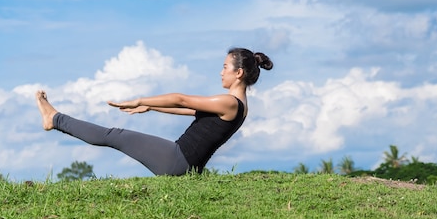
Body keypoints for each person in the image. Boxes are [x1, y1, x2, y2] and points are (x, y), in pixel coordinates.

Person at [35, 47, 273, 175]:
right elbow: (192, 113)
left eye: (224, 67)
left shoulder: (228, 102)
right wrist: (151, 107)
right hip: (186, 165)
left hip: (177, 160)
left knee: (114, 135)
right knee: (115, 136)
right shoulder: (239, 107)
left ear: (238, 73)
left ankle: (54, 119)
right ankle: (55, 118)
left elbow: (181, 100)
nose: (221, 72)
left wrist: (138, 99)